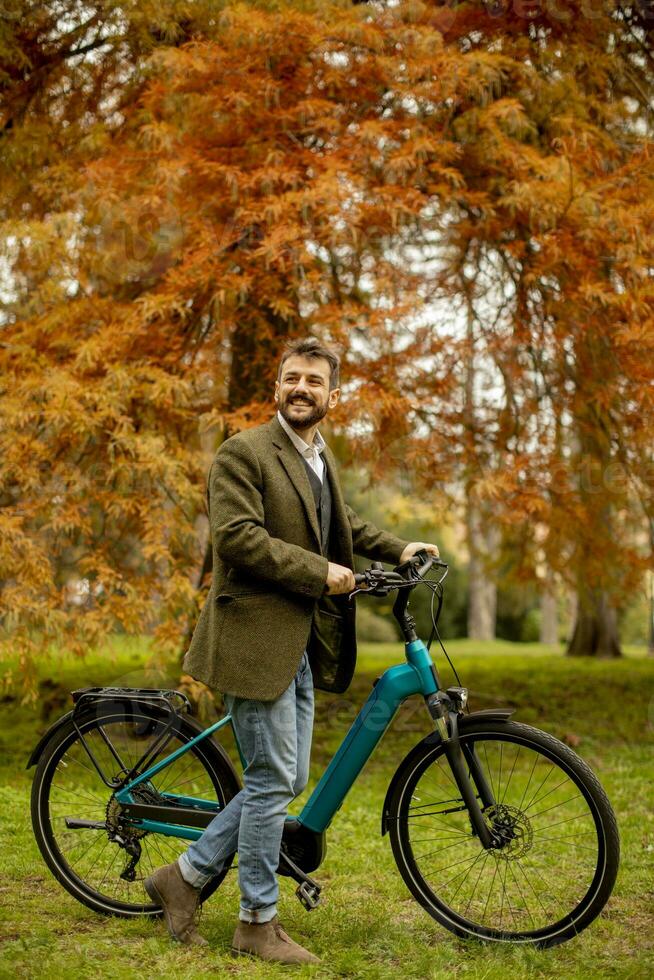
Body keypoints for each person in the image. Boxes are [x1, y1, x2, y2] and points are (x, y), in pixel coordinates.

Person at [144, 337, 439, 965]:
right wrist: (321, 573)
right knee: (274, 780)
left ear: (333, 396)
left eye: (313, 381)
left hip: (297, 643)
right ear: (277, 387)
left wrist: (399, 548)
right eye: (291, 378)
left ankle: (185, 876)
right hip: (253, 640)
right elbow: (237, 539)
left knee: (284, 778)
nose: (301, 388)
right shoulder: (244, 452)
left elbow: (344, 527)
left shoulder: (318, 458)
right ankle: (256, 920)